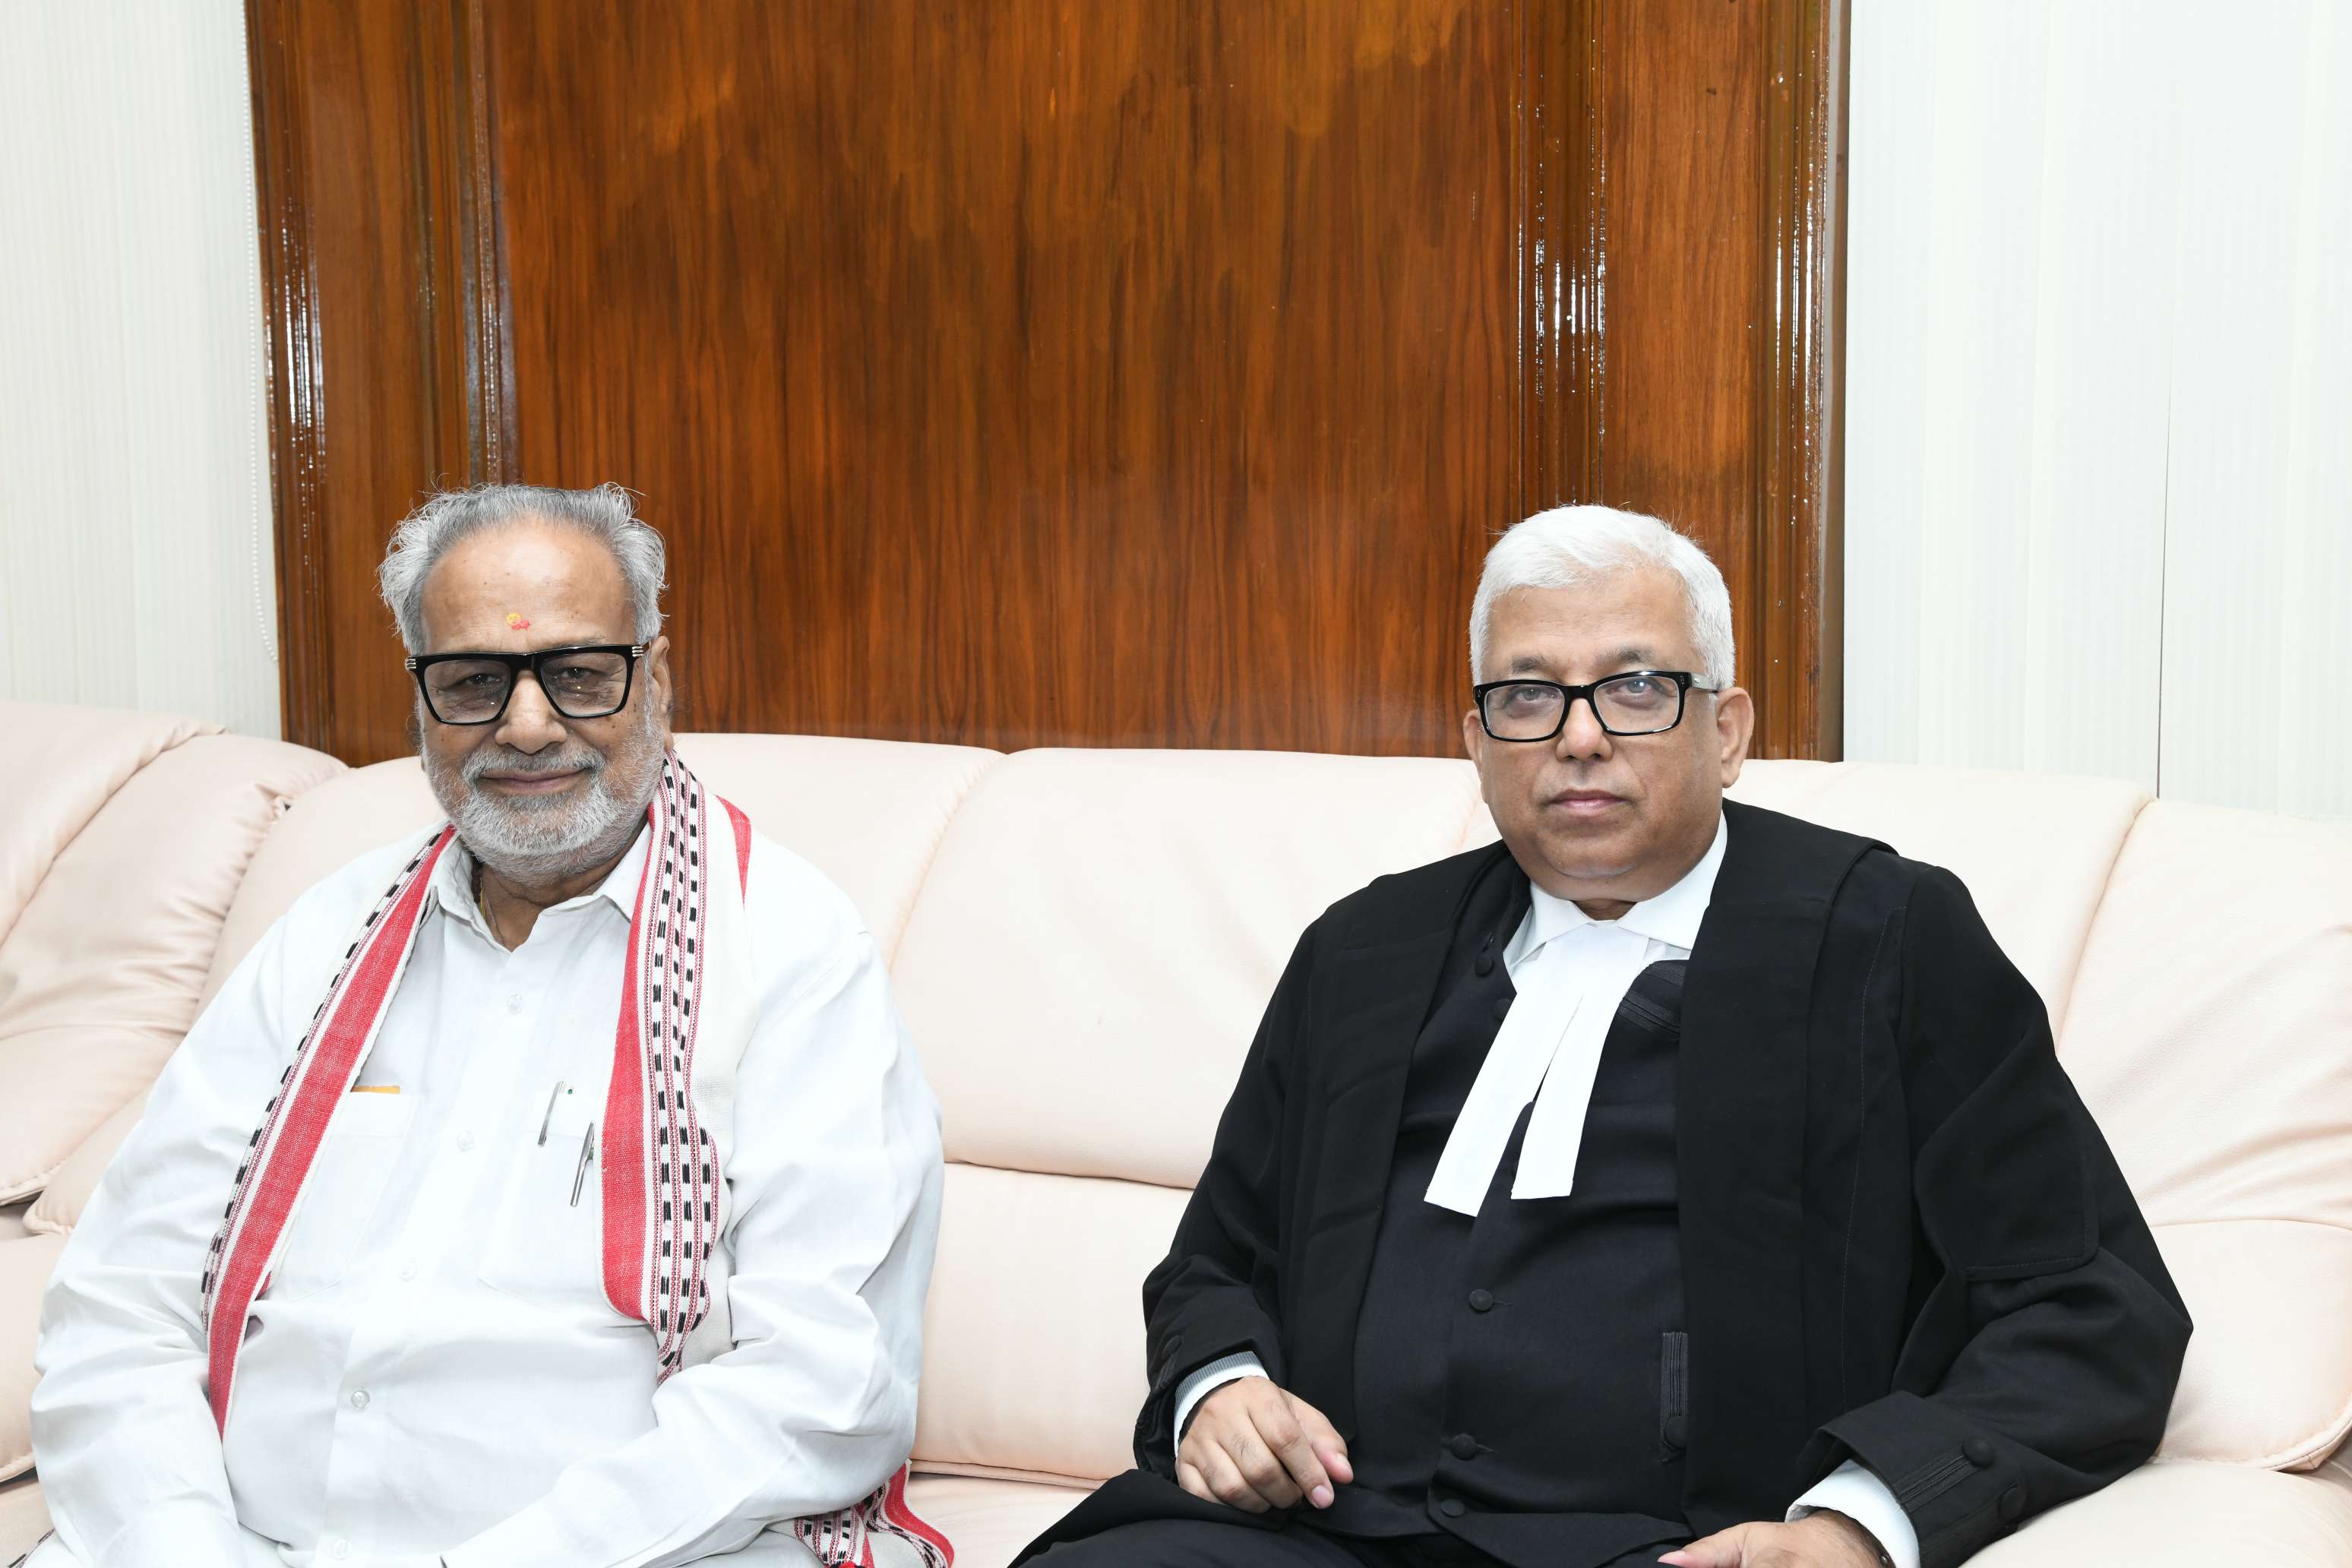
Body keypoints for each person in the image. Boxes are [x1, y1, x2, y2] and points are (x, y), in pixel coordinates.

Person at [1018, 506, 2189, 1568]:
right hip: (1328, 1535)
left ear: (1727, 730)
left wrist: (1861, 1522)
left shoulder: (1888, 939)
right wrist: (1220, 1387)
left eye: (1635, 688)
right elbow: (1216, 1259)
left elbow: (2093, 1311)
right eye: (1528, 697)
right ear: (1478, 743)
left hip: (1683, 1548)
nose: (1579, 738)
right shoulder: (1364, 950)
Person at [30, 484, 950, 1568]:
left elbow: (821, 1386)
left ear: (655, 680)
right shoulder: (324, 936)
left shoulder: (789, 952)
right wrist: (181, 1547)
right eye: (473, 680)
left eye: (579, 673)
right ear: (420, 702)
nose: (526, 725)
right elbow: (122, 1305)